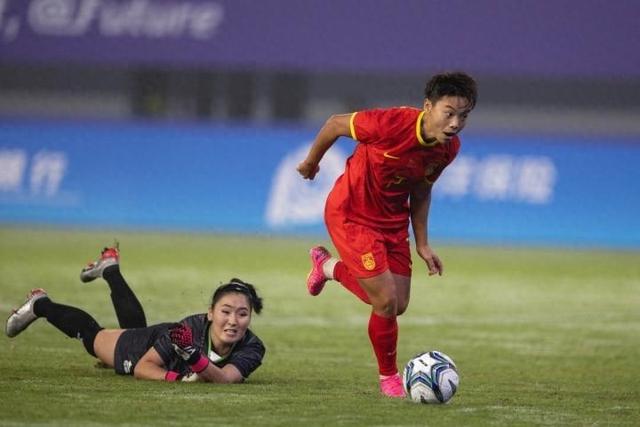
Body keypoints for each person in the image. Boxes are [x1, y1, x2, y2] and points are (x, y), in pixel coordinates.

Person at [297, 72, 477, 397]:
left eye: (463, 116)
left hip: (393, 223)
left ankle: (328, 267)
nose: (455, 123)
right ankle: (389, 379)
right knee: (385, 301)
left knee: (399, 304)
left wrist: (422, 243)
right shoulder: (390, 123)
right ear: (428, 106)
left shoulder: (447, 149)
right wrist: (312, 163)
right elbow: (336, 123)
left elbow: (422, 190)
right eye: (448, 112)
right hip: (352, 213)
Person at [5, 244, 265, 383]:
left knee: (135, 329)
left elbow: (224, 380)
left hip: (162, 345)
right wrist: (179, 379)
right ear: (210, 313)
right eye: (226, 311)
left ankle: (109, 269)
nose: (233, 321)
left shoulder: (253, 347)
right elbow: (142, 367)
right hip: (145, 348)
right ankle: (40, 304)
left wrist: (192, 358)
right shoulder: (186, 331)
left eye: (242, 314)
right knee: (92, 338)